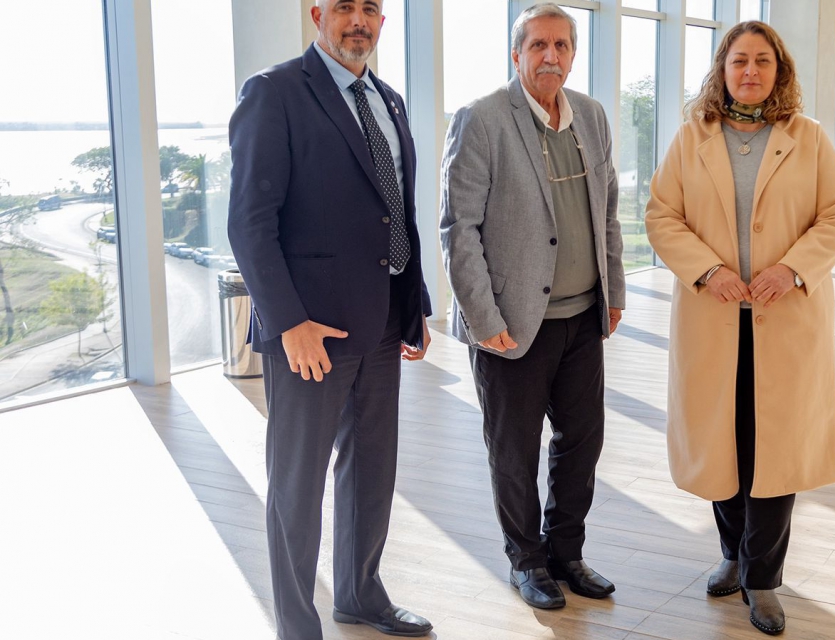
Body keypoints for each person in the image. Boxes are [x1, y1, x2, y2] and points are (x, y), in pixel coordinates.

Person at [227, 1, 433, 638]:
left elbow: (396, 211)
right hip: (310, 332)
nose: (358, 19)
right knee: (297, 486)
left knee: (372, 471)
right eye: (345, 6)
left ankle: (360, 595)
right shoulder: (274, 93)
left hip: (383, 322)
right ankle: (297, 626)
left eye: (371, 7)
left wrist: (414, 304)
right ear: (317, 13)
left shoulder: (389, 100)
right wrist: (289, 323)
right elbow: (249, 224)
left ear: (383, 20)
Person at [644, 20, 835, 636]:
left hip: (785, 322)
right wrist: (707, 271)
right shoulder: (692, 138)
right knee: (723, 444)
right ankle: (732, 555)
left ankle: (762, 579)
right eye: (739, 60)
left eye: (763, 60)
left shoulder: (808, 138)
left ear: (779, 70)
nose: (751, 71)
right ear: (723, 69)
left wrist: (793, 268)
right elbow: (662, 216)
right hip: (713, 321)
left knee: (774, 451)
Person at [439, 2, 625, 612]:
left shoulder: (591, 116)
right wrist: (483, 319)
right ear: (516, 54)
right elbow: (458, 229)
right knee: (513, 451)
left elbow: (608, 212)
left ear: (573, 54)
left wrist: (614, 292)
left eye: (561, 45)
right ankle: (526, 561)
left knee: (581, 443)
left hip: (582, 317)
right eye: (538, 45)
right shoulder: (481, 119)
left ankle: (566, 552)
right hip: (511, 326)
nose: (551, 56)